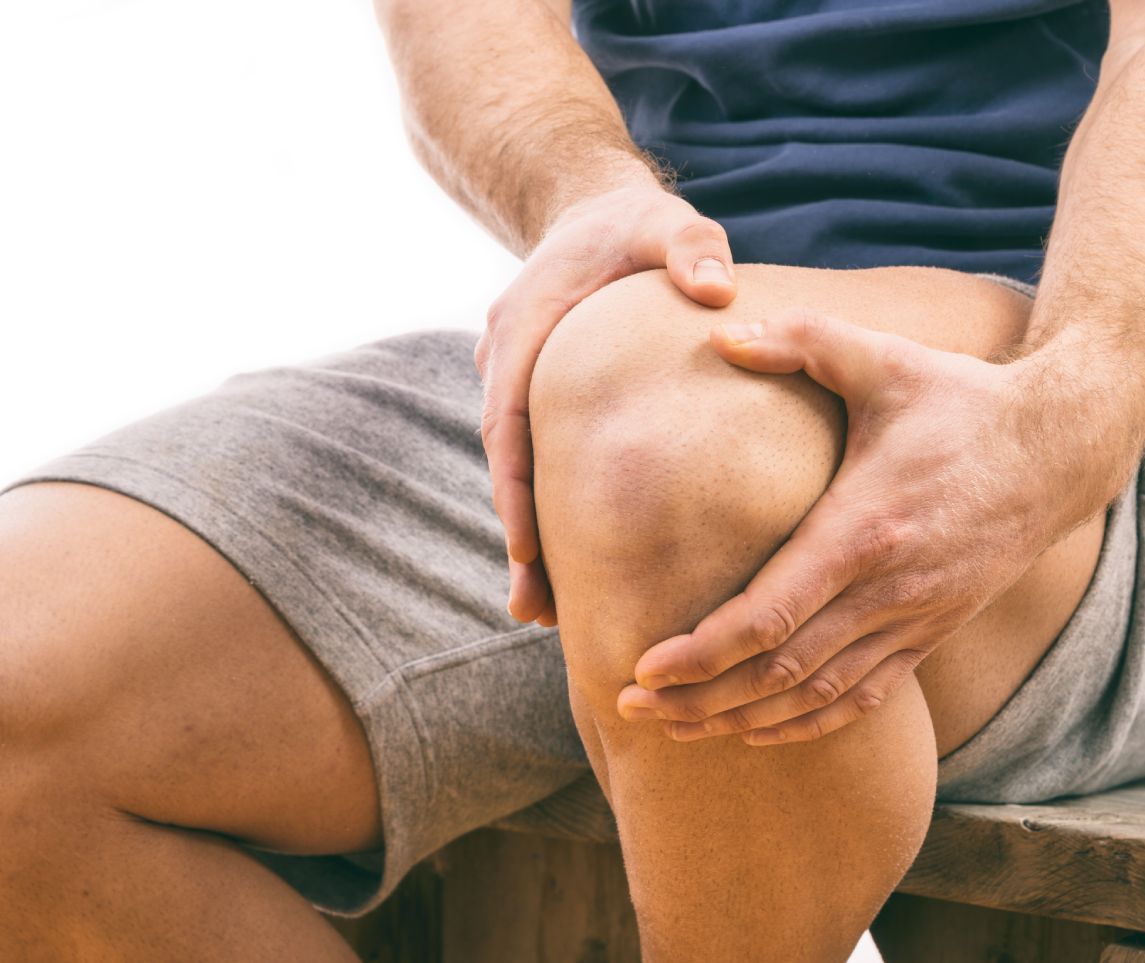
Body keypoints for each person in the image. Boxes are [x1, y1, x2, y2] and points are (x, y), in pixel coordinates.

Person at [2, 0, 1142, 961]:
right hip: (645, 352)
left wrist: (1081, 390)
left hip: (1074, 342)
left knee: (668, 438)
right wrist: (585, 193)